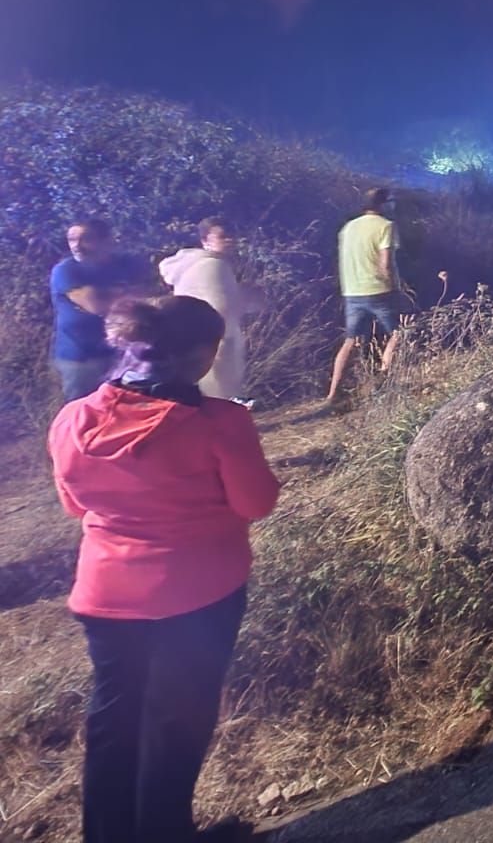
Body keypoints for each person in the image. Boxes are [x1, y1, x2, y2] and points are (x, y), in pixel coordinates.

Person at [49, 295, 279, 843]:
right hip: (198, 595)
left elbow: (74, 506)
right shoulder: (221, 422)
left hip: (106, 595)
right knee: (178, 723)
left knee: (113, 721)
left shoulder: (72, 419)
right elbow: (256, 503)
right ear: (201, 353)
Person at [159, 217, 265, 400]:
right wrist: (248, 298)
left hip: (195, 339)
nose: (230, 240)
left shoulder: (199, 264)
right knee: (219, 395)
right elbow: (223, 307)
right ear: (205, 241)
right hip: (215, 340)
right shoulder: (213, 265)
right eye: (222, 236)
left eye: (232, 235)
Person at [49, 219, 144, 401]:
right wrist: (126, 293)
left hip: (123, 355)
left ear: (106, 241)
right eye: (72, 240)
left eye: (85, 239)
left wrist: (112, 294)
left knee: (120, 411)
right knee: (83, 415)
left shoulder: (126, 264)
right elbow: (97, 305)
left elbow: (148, 296)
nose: (76, 246)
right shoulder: (66, 270)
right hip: (81, 359)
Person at [326, 187, 404, 401]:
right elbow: (386, 263)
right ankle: (384, 382)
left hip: (352, 291)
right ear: (384, 204)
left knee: (350, 340)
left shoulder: (348, 228)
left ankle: (333, 392)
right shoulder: (386, 226)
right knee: (400, 333)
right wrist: (396, 287)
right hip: (379, 290)